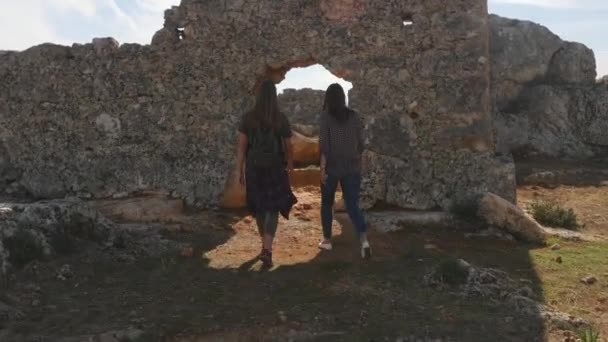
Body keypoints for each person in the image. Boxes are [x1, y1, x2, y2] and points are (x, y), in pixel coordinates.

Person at [235, 80, 297, 268]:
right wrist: (290, 166)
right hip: (275, 167)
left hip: (254, 167)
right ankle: (267, 249)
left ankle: (265, 246)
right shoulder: (280, 118)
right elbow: (288, 146)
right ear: (274, 95)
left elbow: (241, 146)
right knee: (272, 207)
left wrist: (239, 170)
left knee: (260, 207)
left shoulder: (248, 118)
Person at [318, 83, 371, 259]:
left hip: (332, 167)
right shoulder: (354, 116)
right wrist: (359, 164)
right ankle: (364, 241)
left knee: (327, 204)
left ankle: (327, 240)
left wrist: (322, 169)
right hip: (351, 167)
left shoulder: (325, 117)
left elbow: (324, 146)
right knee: (353, 206)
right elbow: (361, 144)